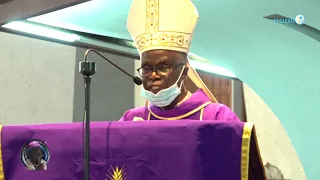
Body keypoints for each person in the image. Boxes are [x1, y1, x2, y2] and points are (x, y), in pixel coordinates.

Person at [120, 0, 240, 121]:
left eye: (163, 68)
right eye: (146, 68)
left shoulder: (217, 117)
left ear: (184, 72)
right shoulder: (131, 120)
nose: (153, 75)